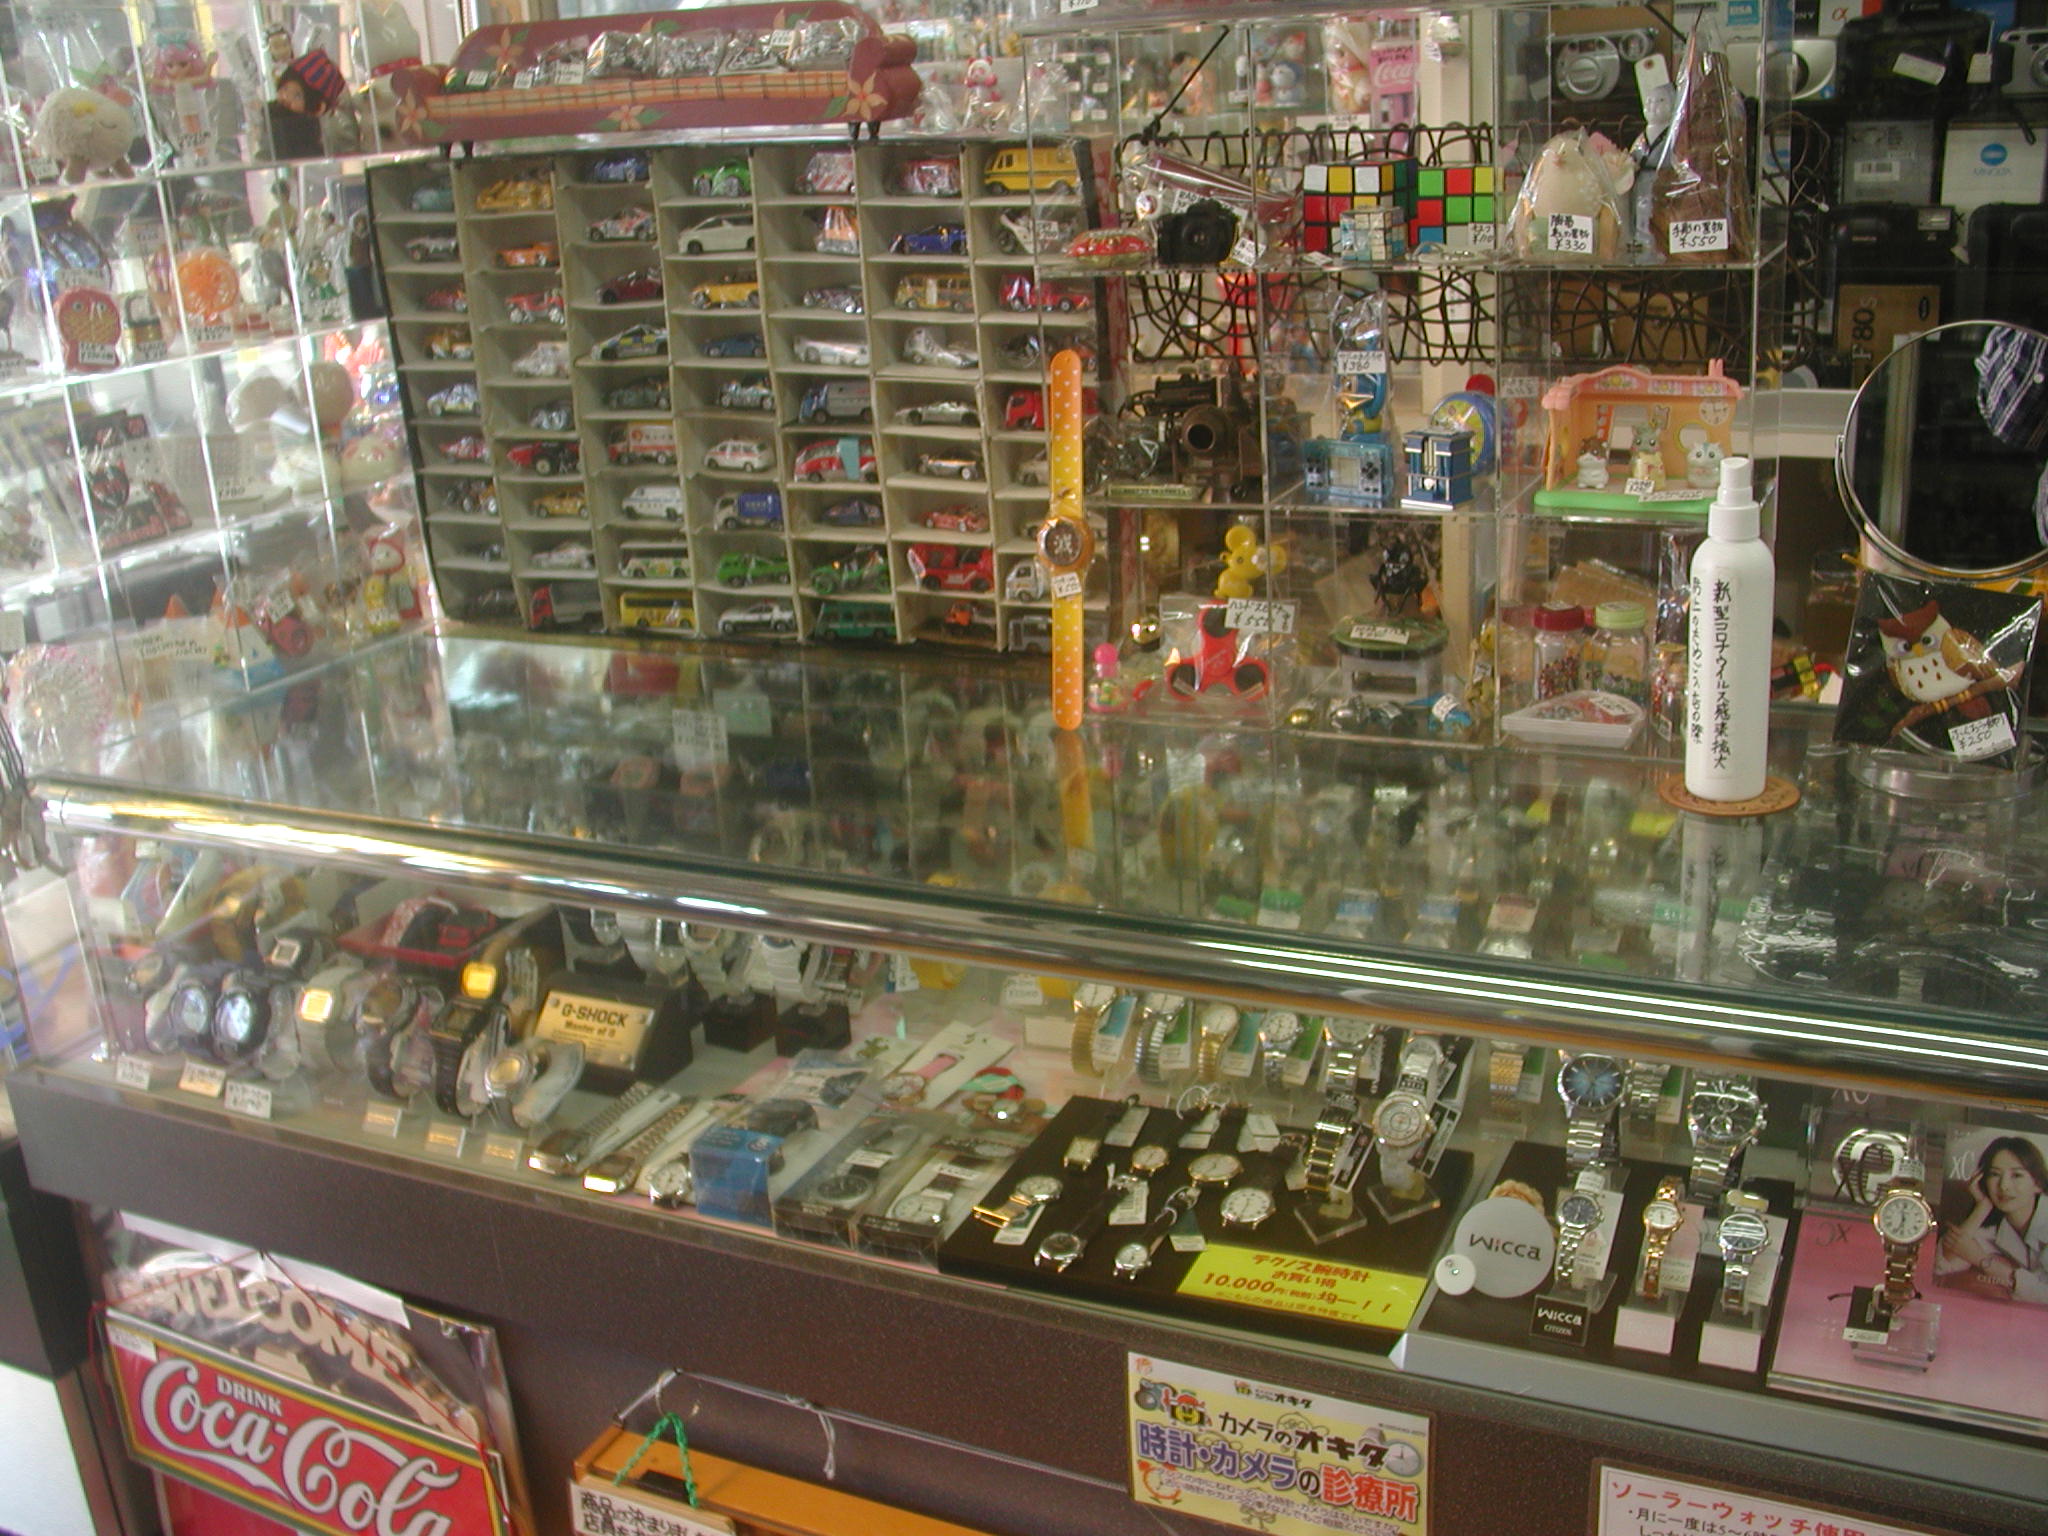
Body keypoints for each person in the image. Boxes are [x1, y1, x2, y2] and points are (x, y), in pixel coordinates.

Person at [1937, 1135, 2048, 1303]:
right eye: (1995, 1174)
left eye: (2016, 1175)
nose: (2004, 1186)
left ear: (2037, 1184)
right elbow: (1942, 1264)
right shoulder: (1996, 1228)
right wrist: (1982, 1207)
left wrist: (1981, 1259)